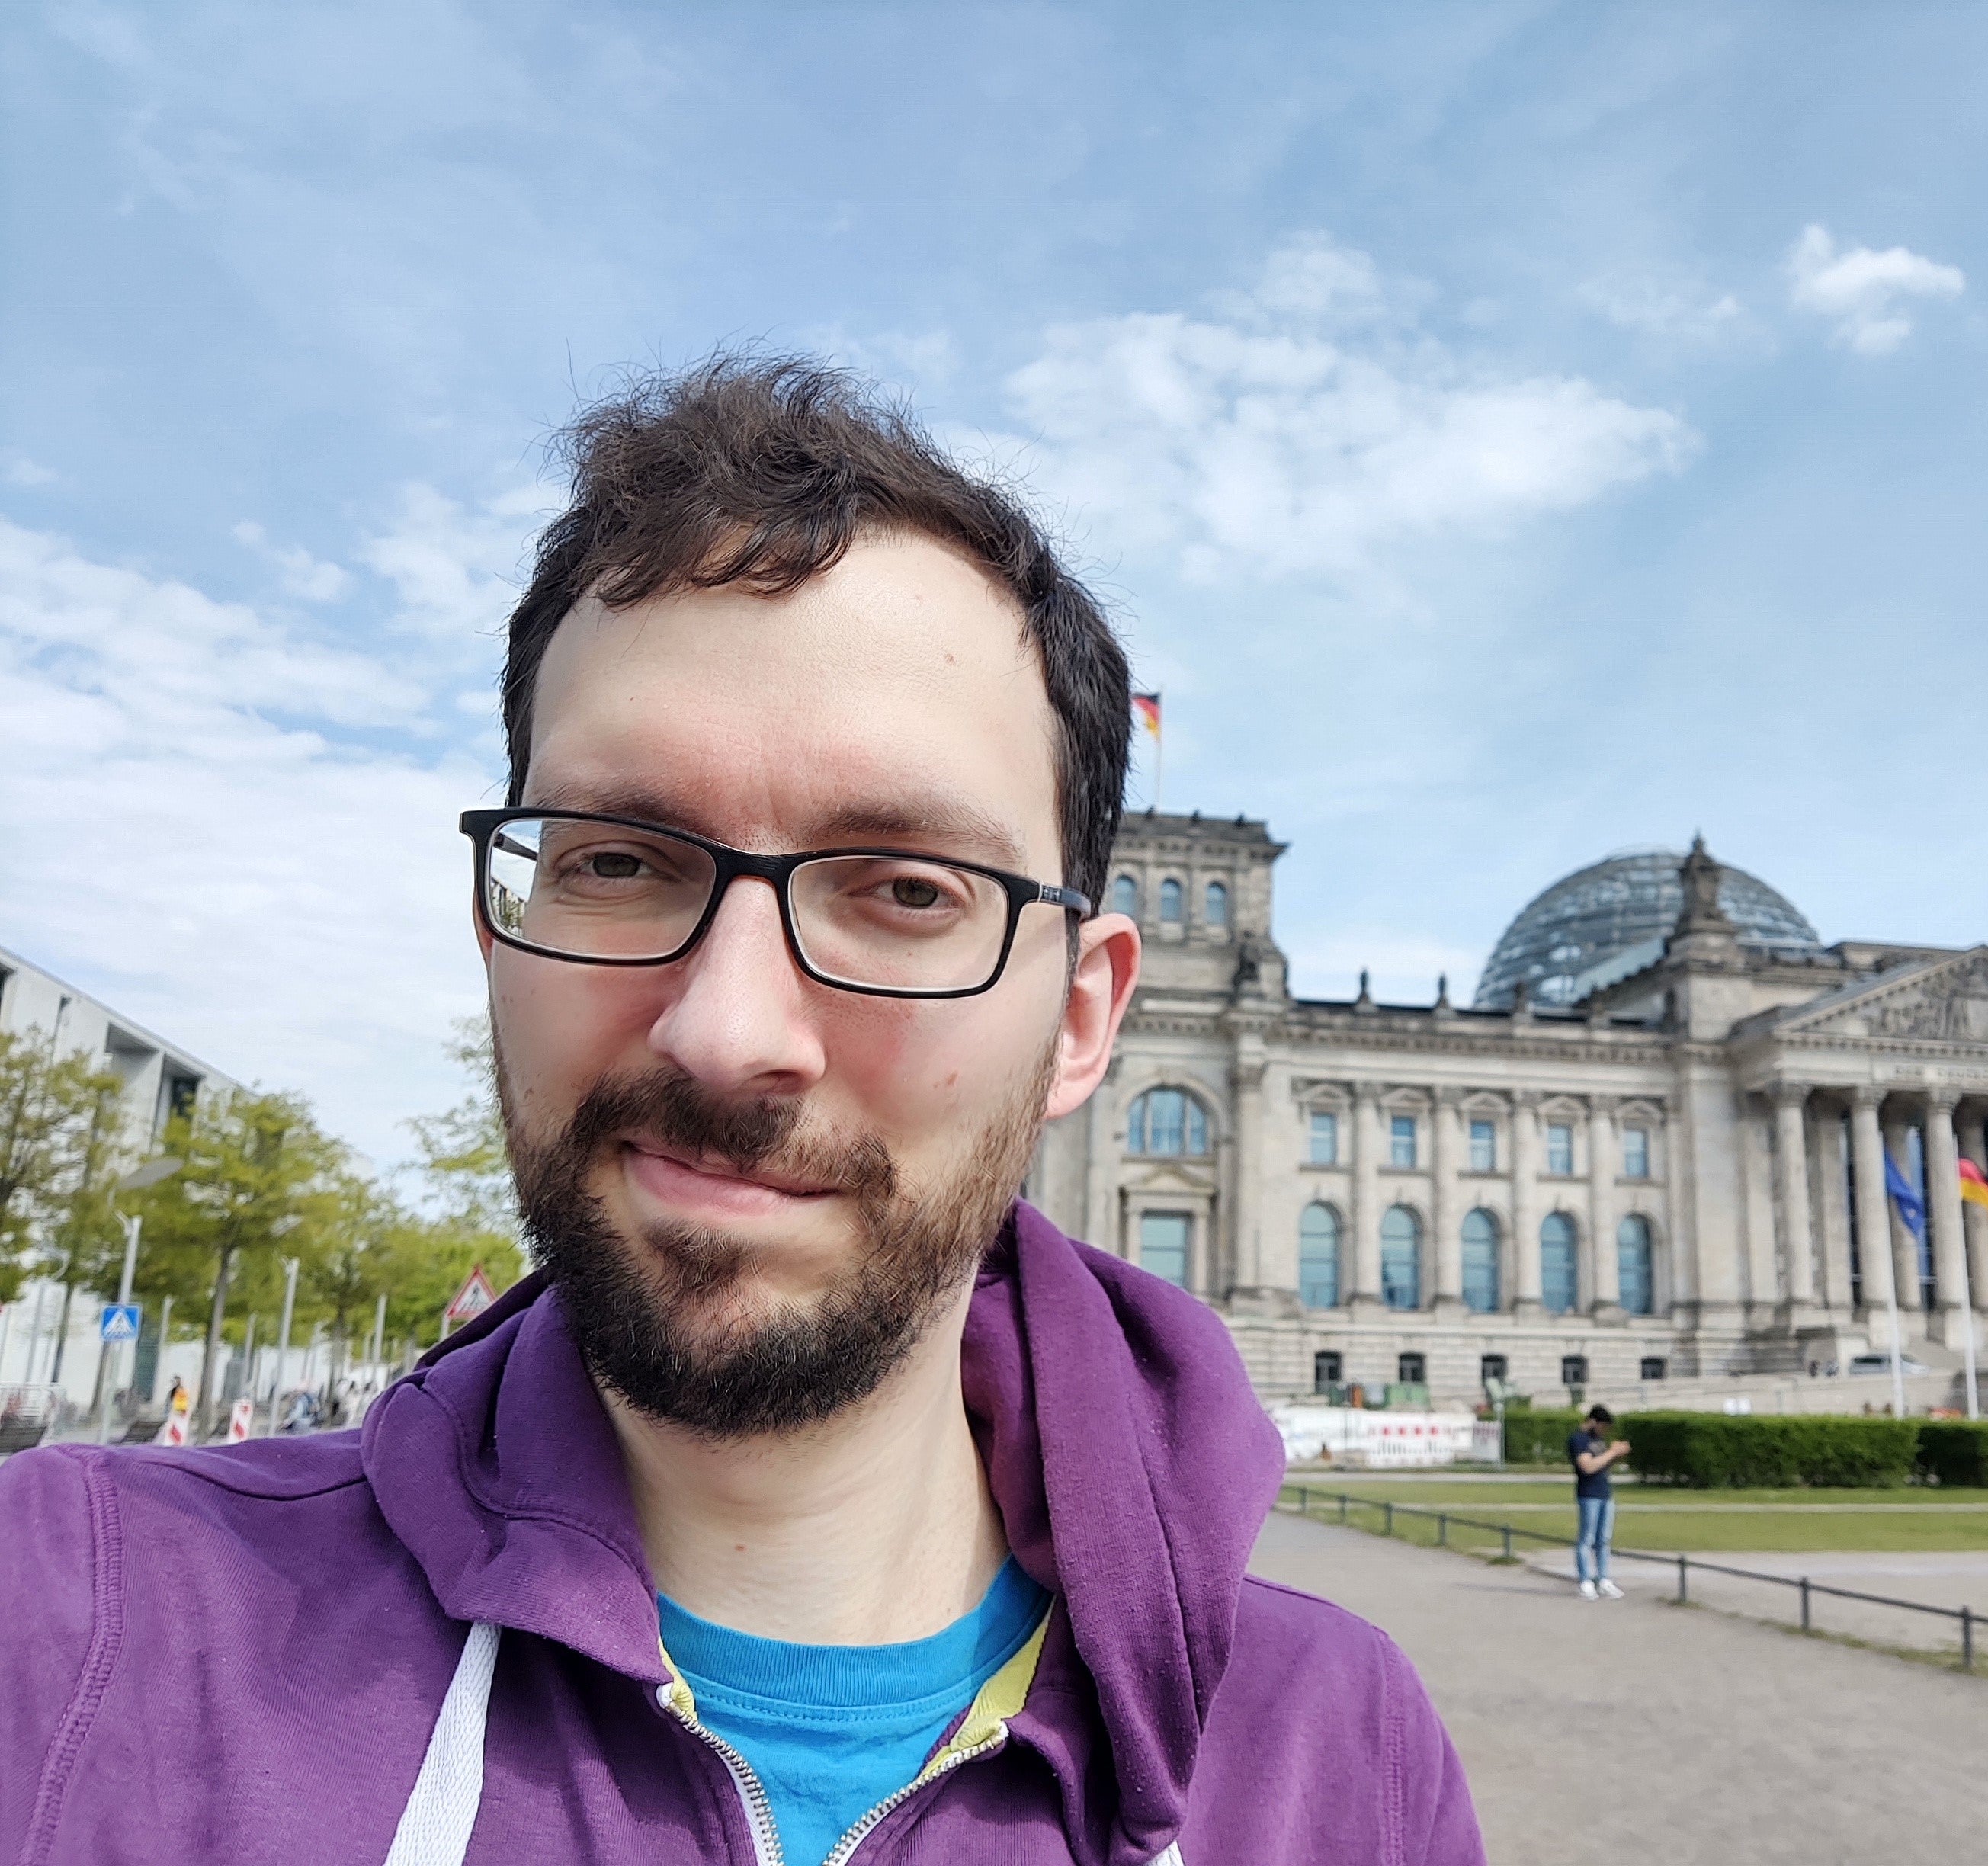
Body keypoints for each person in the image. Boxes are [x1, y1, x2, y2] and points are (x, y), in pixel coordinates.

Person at [0, 357, 1483, 1865]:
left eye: (909, 890)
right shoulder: (66, 1623)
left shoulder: (1337, 1759)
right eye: (619, 860)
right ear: (496, 923)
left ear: (1082, 1015)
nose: (728, 1033)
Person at [1567, 1404, 1630, 1600]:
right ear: (1593, 1422)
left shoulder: (1598, 1441)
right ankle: (1585, 1580)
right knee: (1587, 1538)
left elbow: (1601, 1465)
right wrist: (1612, 1452)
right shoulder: (1579, 1440)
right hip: (1588, 1494)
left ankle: (1603, 1579)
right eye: (1603, 1427)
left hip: (1605, 1493)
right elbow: (1587, 1466)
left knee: (1604, 1539)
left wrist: (1616, 1455)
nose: (1605, 1431)